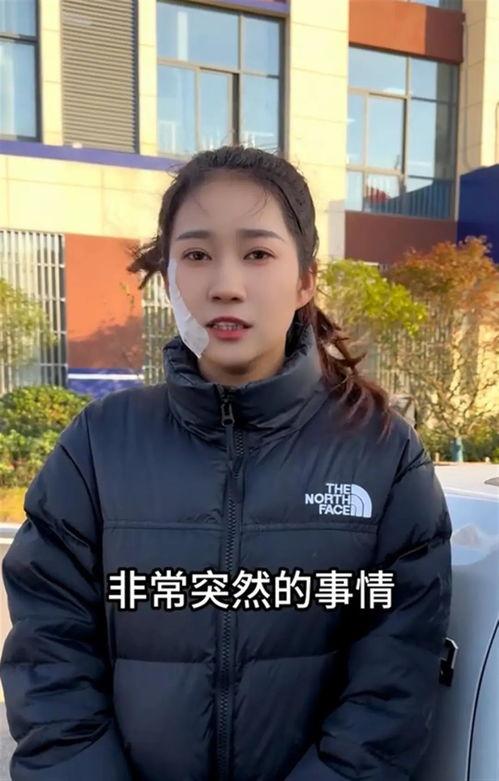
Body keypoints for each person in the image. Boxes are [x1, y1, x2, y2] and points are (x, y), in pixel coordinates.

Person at [0, 145, 452, 781]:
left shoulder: (383, 452)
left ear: (305, 280)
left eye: (258, 253)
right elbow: (49, 656)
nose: (226, 285)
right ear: (168, 279)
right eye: (196, 255)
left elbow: (393, 686)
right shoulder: (99, 445)